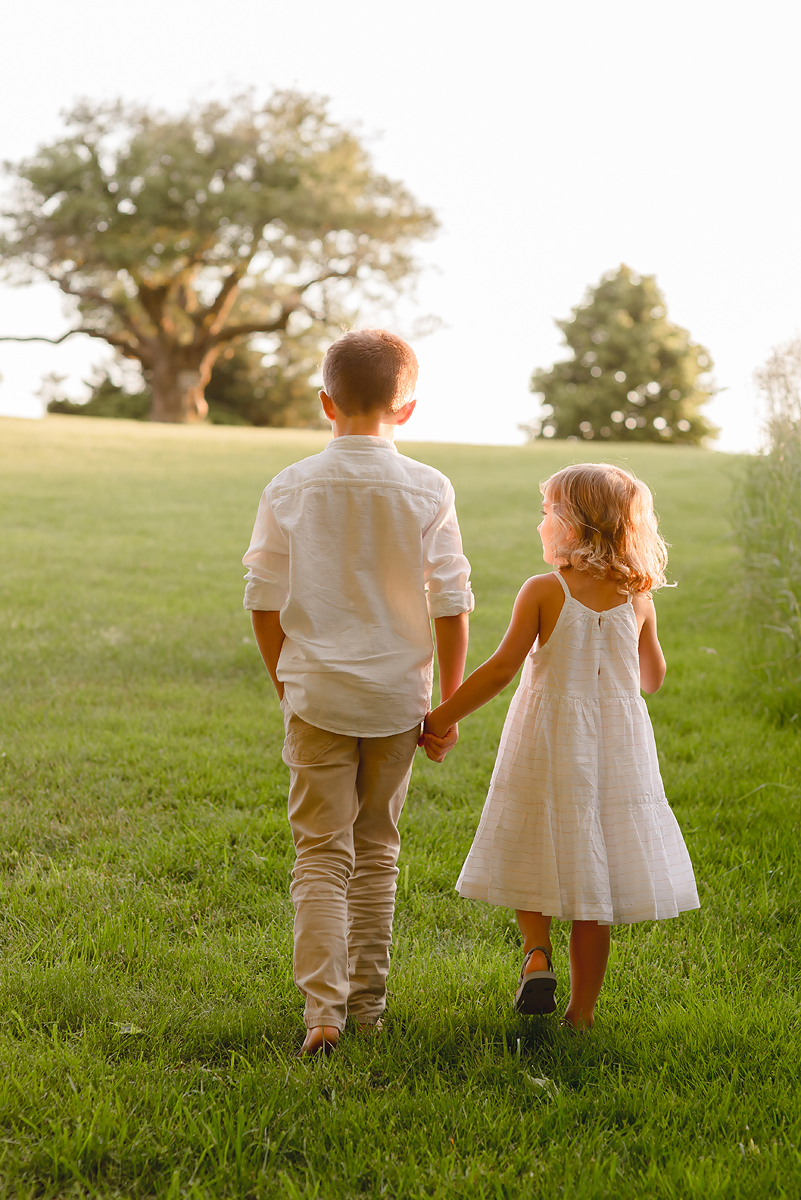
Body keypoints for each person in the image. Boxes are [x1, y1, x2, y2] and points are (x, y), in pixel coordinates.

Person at [243, 329, 473, 1056]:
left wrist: (287, 682)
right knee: (376, 851)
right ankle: (368, 1007)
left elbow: (261, 596)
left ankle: (324, 1012)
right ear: (406, 411)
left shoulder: (289, 484)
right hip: (397, 700)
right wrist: (447, 703)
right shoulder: (430, 487)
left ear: (324, 403)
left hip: (315, 695)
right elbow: (452, 600)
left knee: (319, 853)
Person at [423, 463, 699, 1030]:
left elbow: (501, 669)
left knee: (535, 838)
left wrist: (438, 719)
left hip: (548, 735)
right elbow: (652, 678)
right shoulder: (637, 595)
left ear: (573, 525)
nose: (541, 521)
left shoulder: (545, 589)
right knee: (593, 872)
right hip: (617, 744)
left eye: (548, 511)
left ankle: (538, 954)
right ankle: (582, 1014)